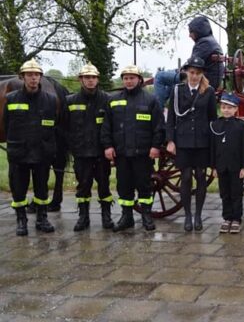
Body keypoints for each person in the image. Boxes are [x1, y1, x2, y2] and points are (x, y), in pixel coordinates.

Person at [101, 65, 164, 232]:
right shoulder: (113, 100)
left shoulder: (150, 100)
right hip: (121, 153)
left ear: (139, 80)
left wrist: (155, 146)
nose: (129, 81)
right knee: (124, 186)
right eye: (126, 78)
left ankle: (146, 216)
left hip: (142, 153)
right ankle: (126, 217)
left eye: (132, 78)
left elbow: (158, 126)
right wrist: (108, 146)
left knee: (144, 185)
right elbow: (107, 126)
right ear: (123, 80)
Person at [4, 59, 58, 236]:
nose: (33, 78)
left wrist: (49, 148)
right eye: (29, 75)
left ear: (40, 77)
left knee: (41, 187)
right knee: (18, 188)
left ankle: (42, 218)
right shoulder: (11, 99)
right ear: (22, 77)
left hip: (42, 152)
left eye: (36, 75)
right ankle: (21, 220)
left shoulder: (50, 100)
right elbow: (6, 125)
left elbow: (52, 125)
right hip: (20, 152)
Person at [166, 56, 217, 232]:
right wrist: (171, 140)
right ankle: (187, 214)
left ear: (202, 74)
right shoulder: (177, 90)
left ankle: (198, 215)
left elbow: (212, 118)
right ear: (187, 72)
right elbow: (171, 116)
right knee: (186, 177)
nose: (194, 76)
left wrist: (213, 141)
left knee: (201, 177)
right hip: (183, 141)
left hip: (202, 141)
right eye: (192, 72)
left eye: (198, 73)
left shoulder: (208, 91)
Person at [66, 63, 114, 231]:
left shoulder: (107, 100)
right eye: (87, 77)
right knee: (83, 186)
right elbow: (64, 127)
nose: (90, 80)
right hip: (81, 153)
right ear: (81, 80)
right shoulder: (70, 101)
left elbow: (111, 126)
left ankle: (106, 217)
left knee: (104, 186)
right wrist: (72, 146)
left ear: (97, 79)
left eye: (93, 77)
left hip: (101, 153)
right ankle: (83, 218)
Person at [210, 93, 244, 234]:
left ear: (235, 109)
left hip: (236, 166)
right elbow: (213, 148)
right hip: (221, 166)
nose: (226, 110)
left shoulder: (241, 125)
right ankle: (227, 218)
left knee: (236, 193)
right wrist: (213, 166)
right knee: (224, 193)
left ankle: (236, 219)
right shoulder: (215, 125)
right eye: (224, 107)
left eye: (230, 108)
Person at [189, 16, 225, 90]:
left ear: (197, 31)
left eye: (191, 32)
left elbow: (192, 64)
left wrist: (180, 70)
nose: (189, 35)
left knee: (161, 77)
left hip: (203, 80)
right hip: (211, 79)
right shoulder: (211, 41)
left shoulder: (204, 43)